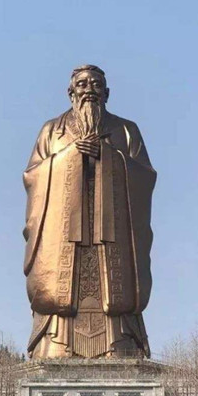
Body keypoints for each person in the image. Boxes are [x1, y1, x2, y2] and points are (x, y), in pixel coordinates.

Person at [23, 65, 157, 359]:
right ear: (71, 92)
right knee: (61, 291)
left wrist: (108, 157)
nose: (89, 90)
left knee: (114, 289)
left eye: (96, 84)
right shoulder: (52, 130)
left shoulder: (126, 130)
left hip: (112, 236)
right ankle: (57, 342)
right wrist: (70, 156)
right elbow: (33, 176)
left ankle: (120, 341)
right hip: (64, 234)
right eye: (82, 84)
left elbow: (145, 177)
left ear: (107, 93)